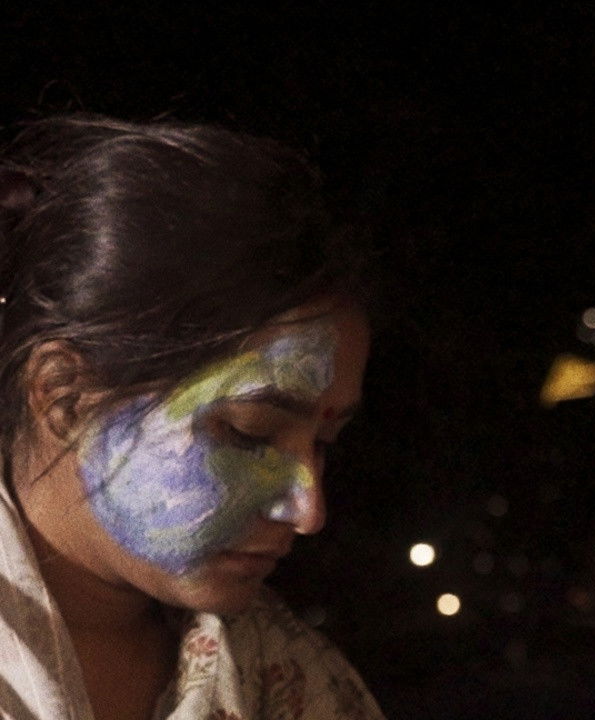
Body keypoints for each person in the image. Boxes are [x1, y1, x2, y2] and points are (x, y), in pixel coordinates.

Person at [0, 115, 386, 719]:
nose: (309, 511)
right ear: (65, 394)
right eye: (250, 432)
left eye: (326, 442)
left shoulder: (297, 680)